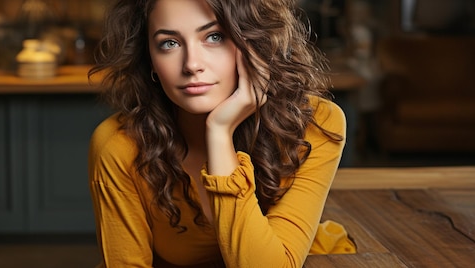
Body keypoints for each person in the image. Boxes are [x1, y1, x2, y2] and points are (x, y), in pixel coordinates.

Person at [87, 0, 353, 267]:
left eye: (214, 37)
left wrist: (219, 132)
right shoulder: (120, 144)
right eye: (169, 43)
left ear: (256, 42)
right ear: (150, 60)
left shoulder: (314, 123)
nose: (191, 64)